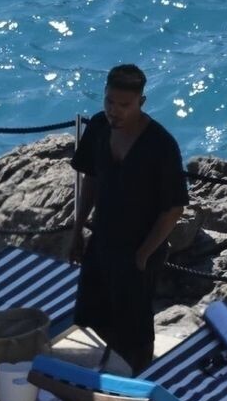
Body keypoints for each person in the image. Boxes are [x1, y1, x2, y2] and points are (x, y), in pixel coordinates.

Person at [70, 64, 189, 373]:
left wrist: (143, 254)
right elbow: (91, 179)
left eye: (124, 105)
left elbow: (174, 208)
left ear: (141, 102)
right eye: (109, 101)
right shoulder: (98, 127)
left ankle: (137, 375)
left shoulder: (161, 145)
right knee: (91, 311)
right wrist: (77, 228)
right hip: (103, 238)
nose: (114, 111)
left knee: (135, 328)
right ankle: (113, 367)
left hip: (140, 247)